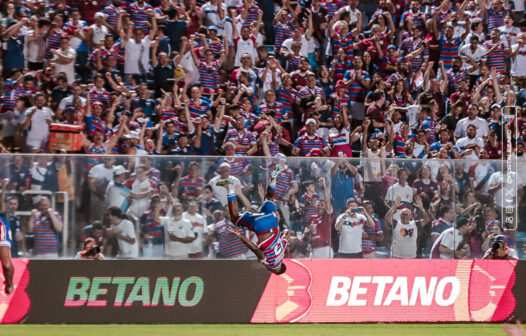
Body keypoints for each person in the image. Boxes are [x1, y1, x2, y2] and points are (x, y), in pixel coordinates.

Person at [221, 165, 289, 274]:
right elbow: (256, 250)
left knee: (269, 198)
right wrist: (240, 236)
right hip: (261, 227)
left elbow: (287, 232)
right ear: (276, 271)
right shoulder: (270, 264)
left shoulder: (282, 251)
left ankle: (273, 178)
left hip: (272, 220)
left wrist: (278, 236)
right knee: (234, 218)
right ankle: (230, 187)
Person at [0, 214, 14, 294]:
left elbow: (7, 266)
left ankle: (10, 286)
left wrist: (9, 284)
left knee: (7, 265)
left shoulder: (1, 226)